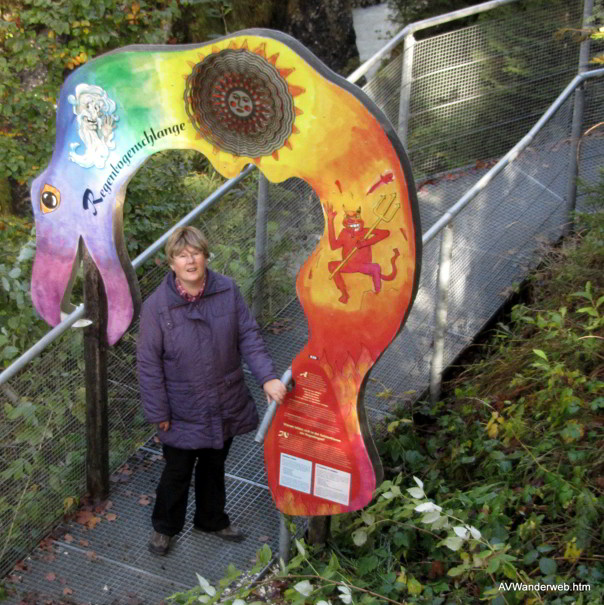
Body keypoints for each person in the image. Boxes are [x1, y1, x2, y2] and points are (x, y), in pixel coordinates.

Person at [137, 226, 286, 556]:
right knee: (177, 471)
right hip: (181, 407)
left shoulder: (227, 291)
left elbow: (248, 336)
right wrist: (158, 412)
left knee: (214, 465)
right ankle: (165, 528)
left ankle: (211, 519)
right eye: (181, 255)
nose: (190, 260)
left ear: (205, 256)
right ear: (171, 263)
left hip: (224, 400)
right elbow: (148, 364)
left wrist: (267, 378)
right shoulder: (157, 307)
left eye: (195, 253)